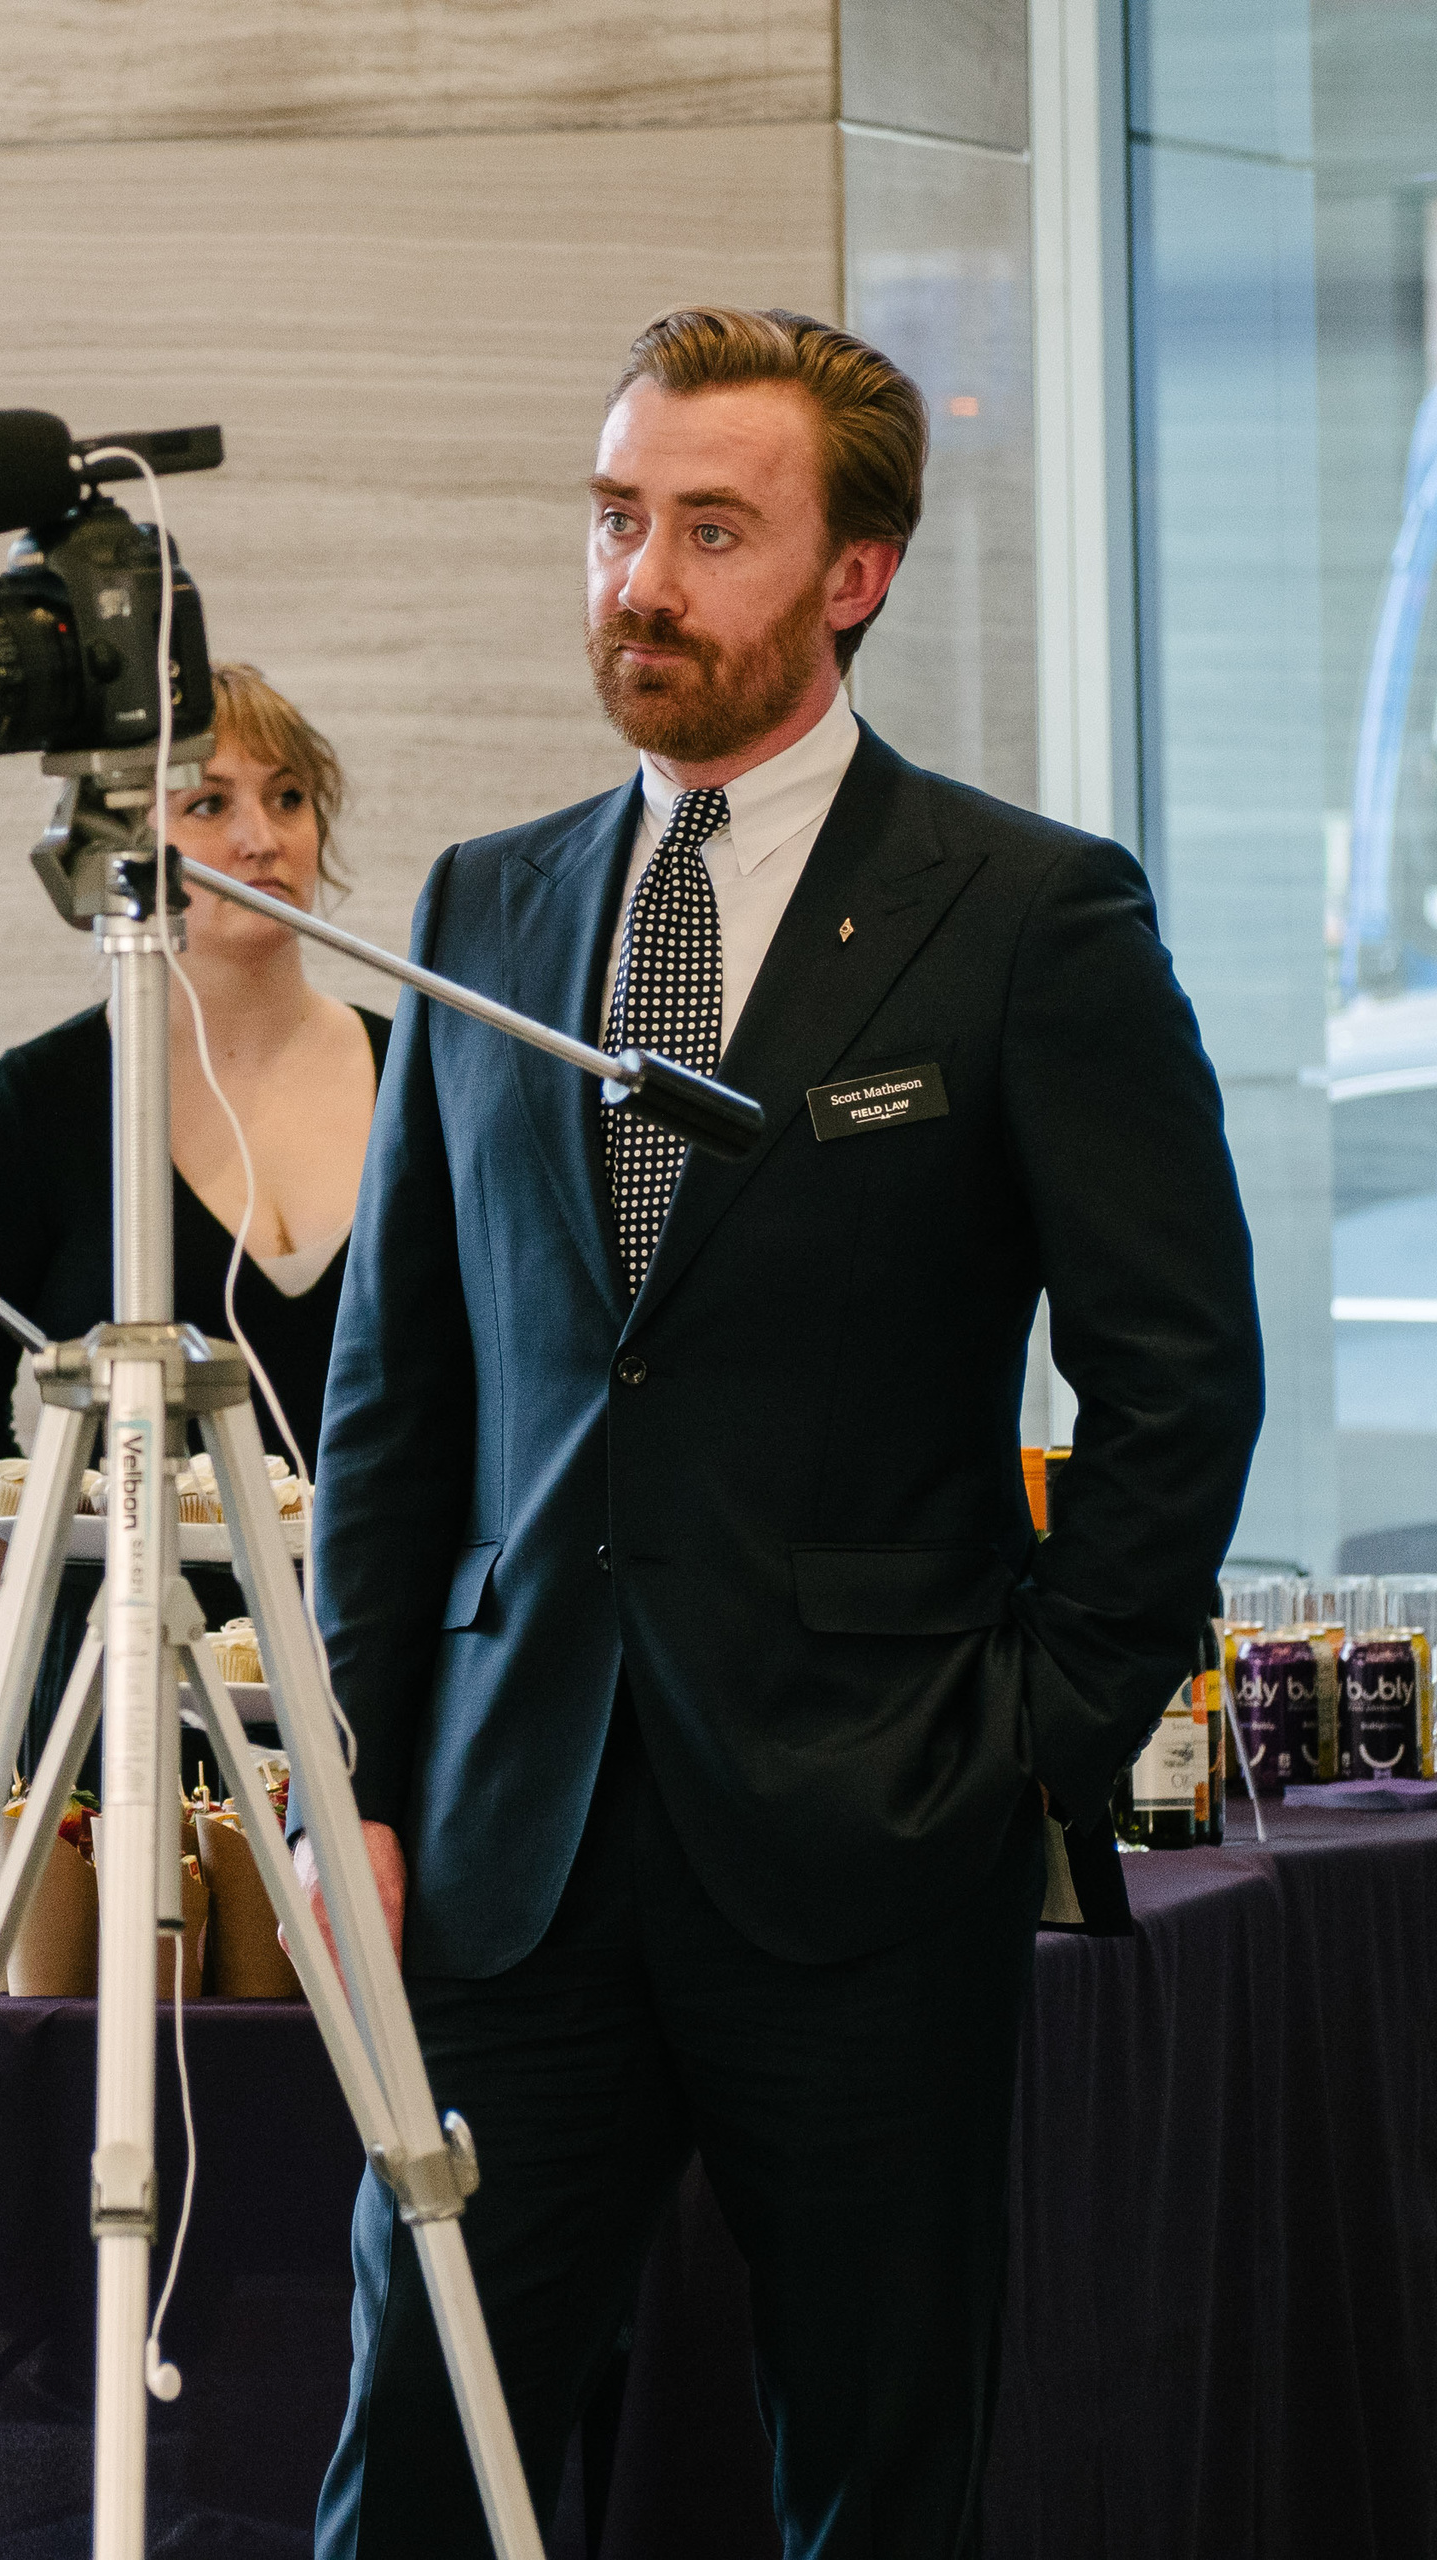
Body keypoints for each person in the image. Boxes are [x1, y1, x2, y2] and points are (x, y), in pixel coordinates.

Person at [301, 307, 1265, 2557]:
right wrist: (357, 1773)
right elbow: (394, 1396)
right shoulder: (482, 903)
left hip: (866, 1829)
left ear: (853, 577)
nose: (636, 577)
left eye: (708, 529)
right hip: (509, 1846)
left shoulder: (1027, 913)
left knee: (867, 2463)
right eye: (615, 514)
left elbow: (1171, 1370)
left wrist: (1037, 1733)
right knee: (416, 2438)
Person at [0, 663, 386, 1772]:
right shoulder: (32, 1111)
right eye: (209, 803)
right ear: (120, 851)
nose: (264, 838)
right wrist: (73, 1640)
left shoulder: (431, 1084)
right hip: (129, 1728)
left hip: (397, 1704)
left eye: (289, 795)